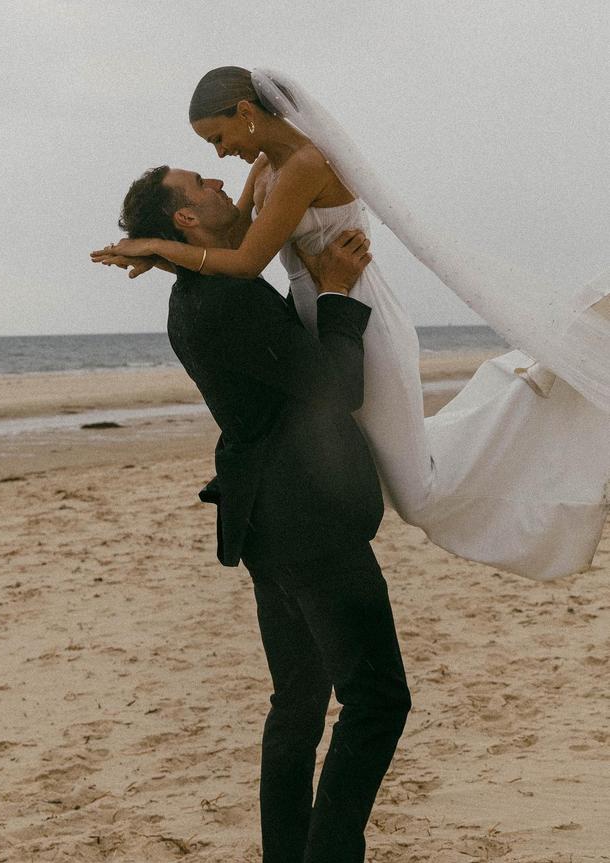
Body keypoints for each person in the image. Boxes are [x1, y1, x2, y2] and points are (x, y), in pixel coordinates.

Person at [92, 66, 610, 581]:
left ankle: (543, 381)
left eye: (218, 137)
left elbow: (247, 261)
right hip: (317, 313)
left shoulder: (304, 164)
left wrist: (161, 245)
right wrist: (166, 259)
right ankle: (526, 384)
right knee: (399, 466)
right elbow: (229, 240)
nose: (220, 153)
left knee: (417, 491)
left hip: (359, 316)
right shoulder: (268, 169)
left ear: (246, 113)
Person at [107, 163, 411, 863]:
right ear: (184, 221)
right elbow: (334, 390)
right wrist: (334, 292)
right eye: (200, 183)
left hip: (263, 524)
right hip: (307, 523)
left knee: (299, 706)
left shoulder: (199, 290)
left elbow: (242, 229)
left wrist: (255, 184)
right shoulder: (227, 302)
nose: (220, 182)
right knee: (375, 701)